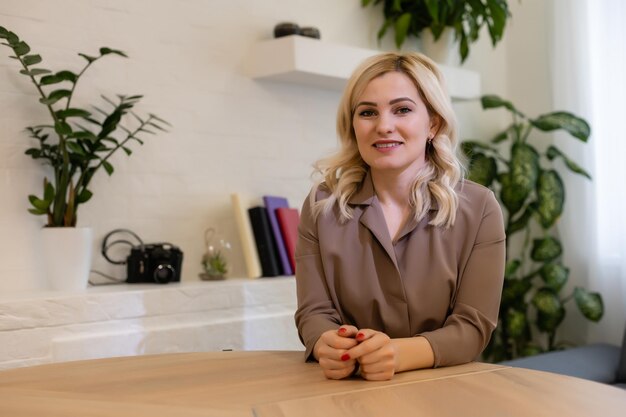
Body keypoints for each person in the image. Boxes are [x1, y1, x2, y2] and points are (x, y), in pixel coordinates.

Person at [294, 52, 506, 381]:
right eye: (367, 112)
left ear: (433, 123)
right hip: (347, 390)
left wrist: (396, 354)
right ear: (353, 125)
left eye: (402, 109)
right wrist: (327, 344)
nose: (383, 126)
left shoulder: (479, 208)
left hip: (443, 390)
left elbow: (472, 326)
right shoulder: (322, 204)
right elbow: (314, 313)